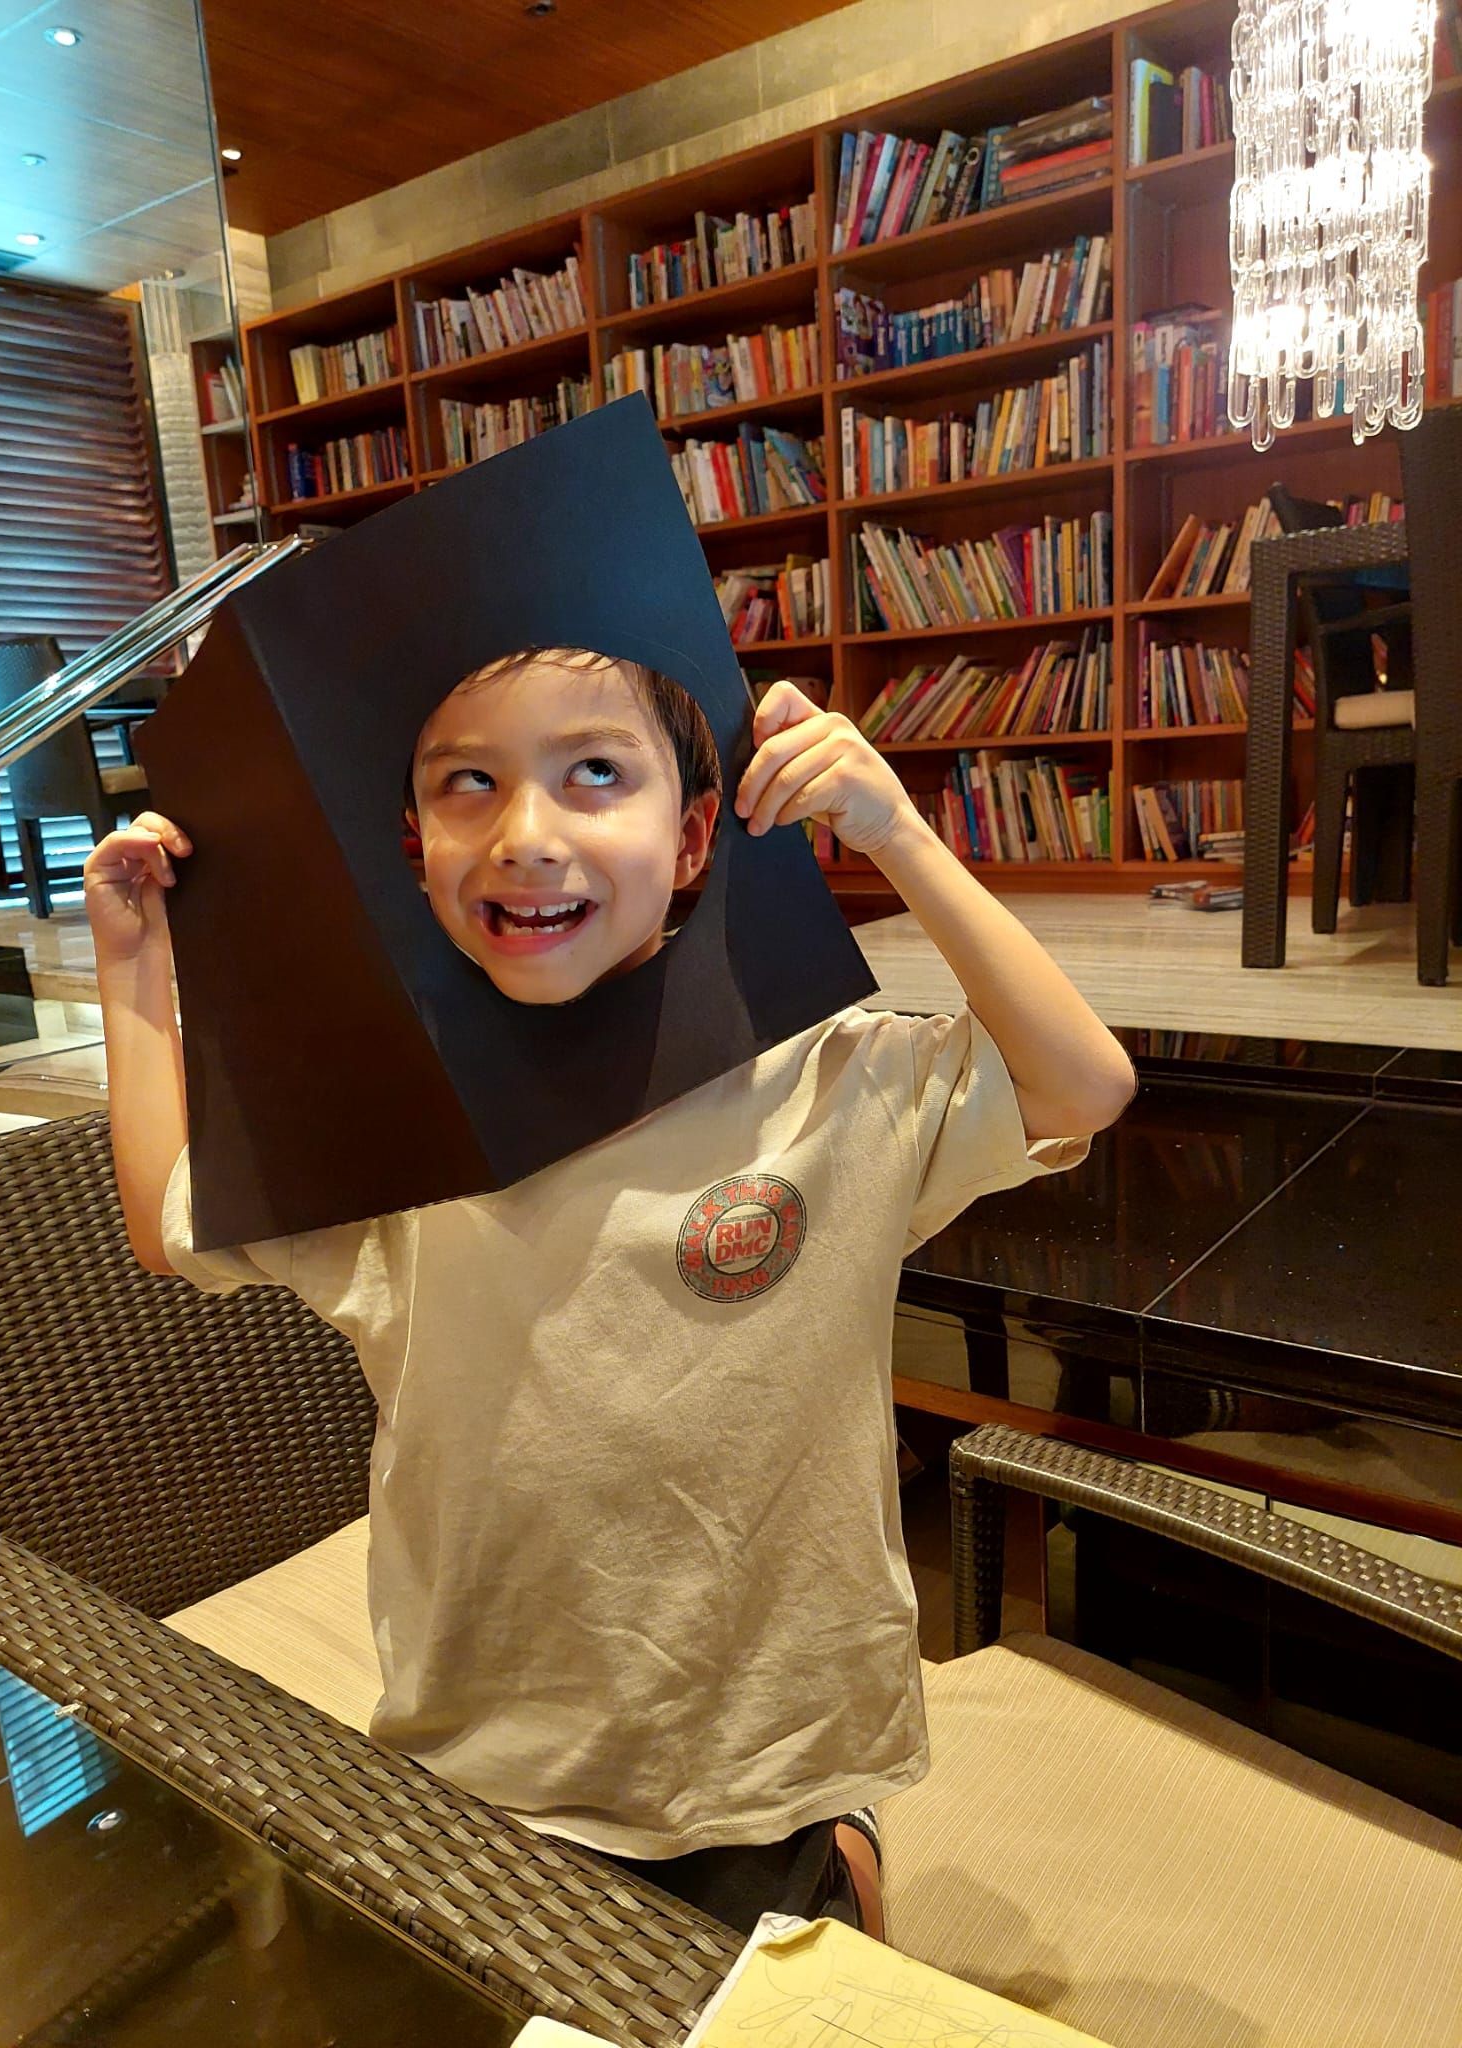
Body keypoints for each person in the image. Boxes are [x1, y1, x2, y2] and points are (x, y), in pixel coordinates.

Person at [85, 649, 1135, 1939]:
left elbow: (1082, 1085)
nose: (528, 835)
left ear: (693, 835)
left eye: (595, 773)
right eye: (470, 785)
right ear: (416, 851)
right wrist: (133, 963)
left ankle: (841, 1844)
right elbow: (168, 1224)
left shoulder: (833, 1083)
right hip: (483, 1760)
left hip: (768, 1765)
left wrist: (897, 831)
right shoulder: (381, 1126)